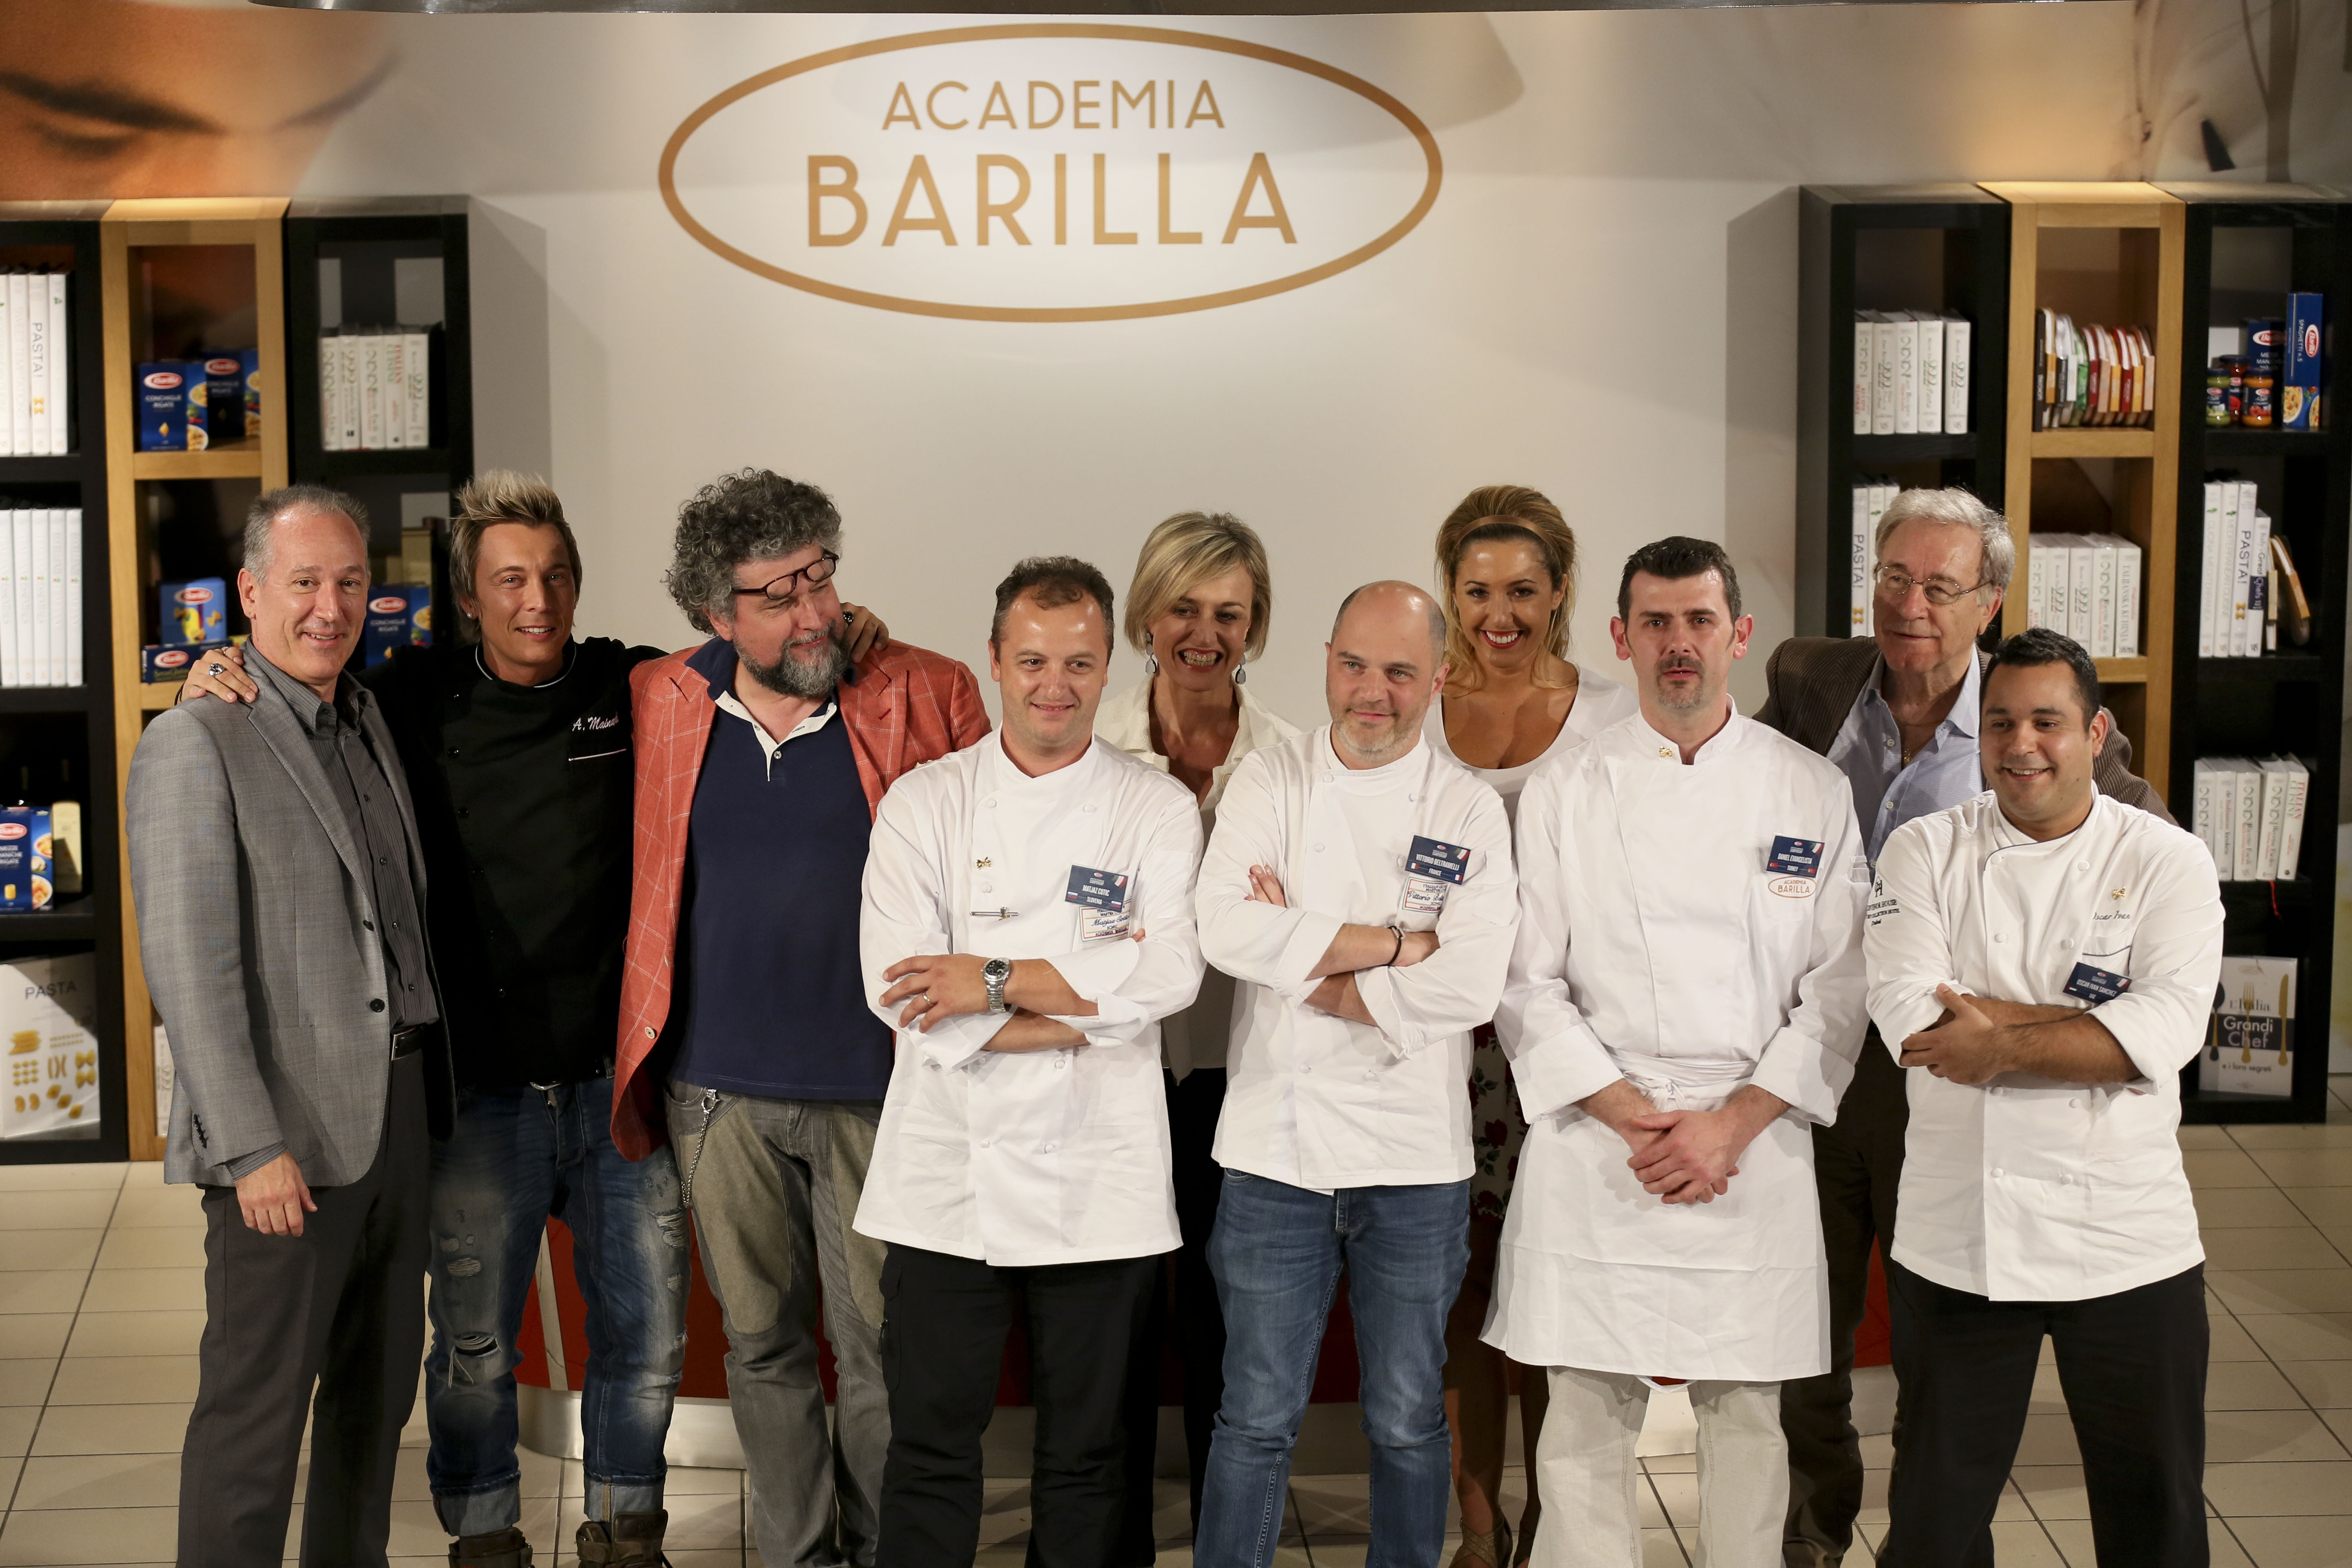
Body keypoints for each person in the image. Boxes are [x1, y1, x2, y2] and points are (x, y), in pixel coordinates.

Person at [175, 473, 884, 1568]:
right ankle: (485, 1534)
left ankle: (625, 1530)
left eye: (555, 576)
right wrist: (216, 668)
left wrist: (835, 623)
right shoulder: (402, 699)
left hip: (617, 1090)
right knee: (470, 1348)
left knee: (644, 1339)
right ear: (469, 598)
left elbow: (751, 655)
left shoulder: (632, 685)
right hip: (480, 1093)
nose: (537, 600)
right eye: (510, 580)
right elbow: (291, 694)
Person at [1755, 486, 2169, 1568]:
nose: (1911, 606)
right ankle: (1812, 1533)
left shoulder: (2035, 724)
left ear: (1989, 603)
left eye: (1941, 587)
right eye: (1894, 578)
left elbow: (2153, 895)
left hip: (1944, 1080)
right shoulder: (1807, 681)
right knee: (1801, 1323)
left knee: (1938, 1344)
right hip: (1806, 1059)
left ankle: (1929, 1542)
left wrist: (2023, 1025)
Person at [612, 469, 987, 1568]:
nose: (813, 612)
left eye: (820, 578)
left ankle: (882, 1550)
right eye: (776, 597)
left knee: (878, 1348)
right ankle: (795, 1554)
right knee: (762, 1346)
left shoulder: (924, 692)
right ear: (715, 615)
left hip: (876, 1086)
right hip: (715, 1091)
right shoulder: (662, 699)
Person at [1487, 536, 1869, 1568]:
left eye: (1699, 621)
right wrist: (1634, 1118)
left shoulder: (1808, 790)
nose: (1678, 644)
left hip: (1753, 1137)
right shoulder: (1567, 788)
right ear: (1622, 638)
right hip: (1600, 1134)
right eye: (1655, 623)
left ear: (1738, 634)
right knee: (1581, 1418)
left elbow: (1840, 987)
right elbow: (1526, 982)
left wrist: (1728, 1127)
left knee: (1748, 1418)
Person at [855, 556, 1207, 1568]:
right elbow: (903, 994)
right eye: (1035, 661)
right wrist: (1092, 1006)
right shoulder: (925, 803)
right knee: (929, 1448)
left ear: (1109, 669)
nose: (1057, 685)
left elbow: (1170, 975)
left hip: (1099, 1174)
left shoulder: (1153, 808)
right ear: (997, 662)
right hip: (946, 1176)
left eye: (1080, 663)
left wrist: (991, 979)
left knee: (1091, 1457)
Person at [128, 485, 449, 1568]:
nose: (331, 606)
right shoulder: (197, 738)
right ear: (251, 593)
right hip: (285, 1144)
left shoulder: (366, 718)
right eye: (304, 582)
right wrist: (249, 1144)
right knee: (254, 1423)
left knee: (373, 1406)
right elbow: (188, 966)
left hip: (398, 1114)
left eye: (350, 582)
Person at [1865, 630, 2223, 1568]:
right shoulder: (1922, 850)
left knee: (2157, 1520)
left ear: (2097, 733)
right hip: (1960, 1239)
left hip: (2128, 1235)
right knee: (1935, 1524)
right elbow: (1912, 1021)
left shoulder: (2169, 860)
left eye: (2046, 722)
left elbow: (2167, 1032)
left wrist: (1994, 1040)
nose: (2021, 745)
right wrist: (2094, 1031)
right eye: (2000, 723)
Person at [1192, 581, 1519, 1568]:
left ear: (1441, 678)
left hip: (1414, 1164)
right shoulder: (1271, 778)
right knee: (1253, 1417)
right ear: (1327, 660)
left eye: (1400, 672)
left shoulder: (1466, 806)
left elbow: (1471, 982)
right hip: (1273, 1155)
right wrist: (1397, 944)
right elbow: (1225, 930)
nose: (1372, 692)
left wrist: (1306, 959)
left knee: (1409, 1418)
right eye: (1354, 666)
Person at [1420, 485, 1637, 1568]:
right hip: (1443, 1042)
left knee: (1559, 1283)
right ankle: (1478, 1523)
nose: (1497, 615)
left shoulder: (1613, 715)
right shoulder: (1415, 705)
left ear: (1560, 593)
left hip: (1565, 1041)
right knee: (1452, 1285)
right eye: (1476, 591)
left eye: (1521, 591)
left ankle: (1561, 1523)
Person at [1094, 511, 1301, 1555]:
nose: (1205, 634)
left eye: (1229, 613)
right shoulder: (1089, 751)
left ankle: (1228, 1544)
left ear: (1255, 626)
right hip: (1114, 1078)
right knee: (1119, 1334)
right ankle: (1120, 1544)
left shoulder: (1294, 762)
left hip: (1244, 1080)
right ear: (1147, 615)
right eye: (1184, 608)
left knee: (1228, 1334)